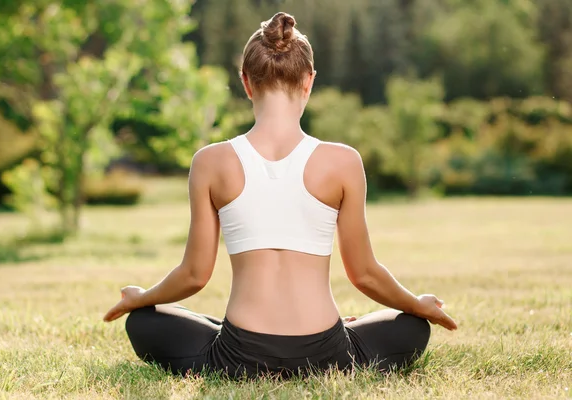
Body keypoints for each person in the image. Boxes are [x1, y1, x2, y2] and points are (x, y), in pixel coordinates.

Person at [103, 11, 457, 379]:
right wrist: (417, 304)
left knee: (143, 322)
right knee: (412, 326)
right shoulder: (344, 161)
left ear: (246, 82)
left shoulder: (210, 161)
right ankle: (347, 329)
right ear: (309, 81)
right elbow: (365, 274)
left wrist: (141, 298)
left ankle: (214, 331)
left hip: (239, 354)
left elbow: (193, 275)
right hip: (328, 353)